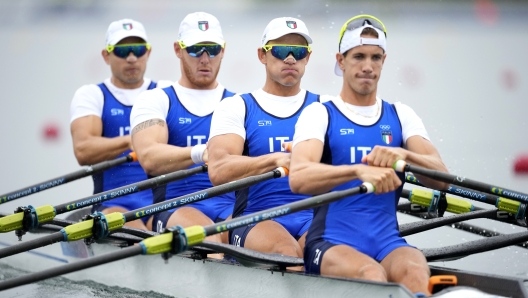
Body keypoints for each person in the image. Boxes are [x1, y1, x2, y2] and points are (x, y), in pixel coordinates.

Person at [288, 15, 449, 296]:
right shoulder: (320, 113)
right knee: (371, 275)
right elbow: (299, 177)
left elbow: (442, 178)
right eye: (358, 56)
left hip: (388, 242)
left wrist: (404, 155)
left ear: (384, 61)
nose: (367, 66)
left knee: (415, 269)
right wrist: (356, 171)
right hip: (330, 243)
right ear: (341, 61)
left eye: (376, 57)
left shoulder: (401, 115)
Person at [207, 17, 318, 259]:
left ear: (307, 57)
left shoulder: (326, 108)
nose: (290, 58)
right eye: (280, 50)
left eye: (298, 52)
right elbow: (218, 169)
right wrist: (275, 160)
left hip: (312, 217)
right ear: (262, 55)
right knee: (288, 253)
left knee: (332, 248)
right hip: (254, 217)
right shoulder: (237, 107)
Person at [130, 12, 234, 244]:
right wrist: (201, 153)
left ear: (223, 50)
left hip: (230, 205)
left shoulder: (239, 104)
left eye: (213, 49)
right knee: (212, 237)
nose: (205, 58)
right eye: (196, 49)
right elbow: (149, 157)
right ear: (178, 49)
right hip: (173, 206)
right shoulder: (156, 101)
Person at [70, 19, 158, 230]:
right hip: (113, 204)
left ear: (148, 53)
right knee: (136, 229)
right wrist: (133, 140)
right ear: (106, 55)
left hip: (161, 204)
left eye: (138, 50)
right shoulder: (92, 95)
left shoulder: (163, 92)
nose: (131, 58)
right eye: (122, 51)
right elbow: (83, 151)